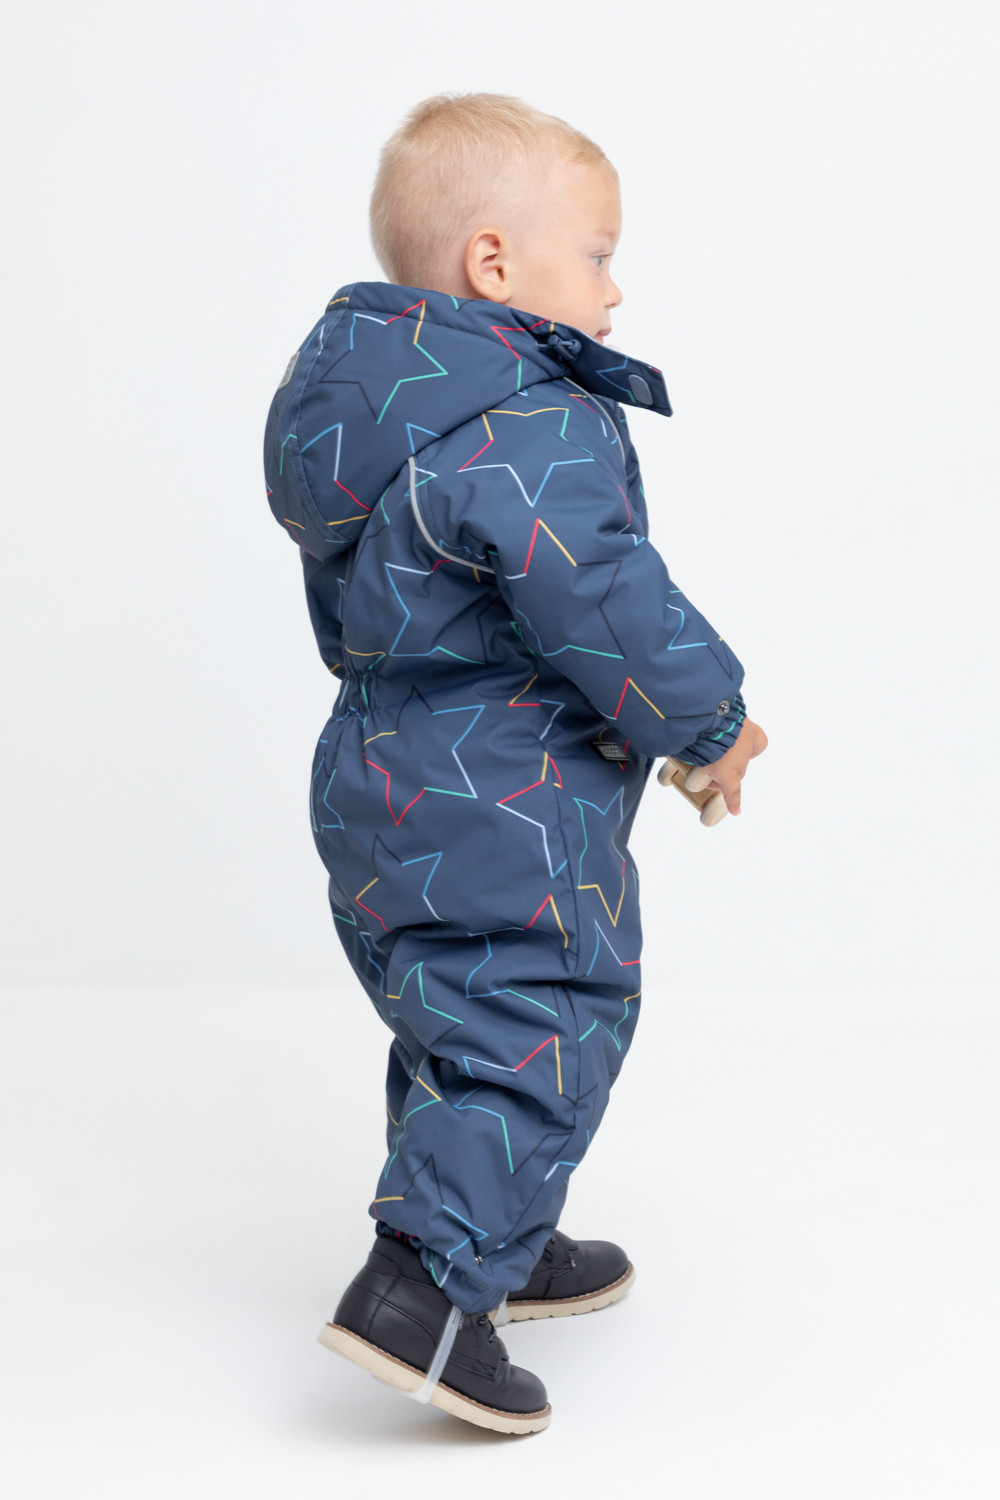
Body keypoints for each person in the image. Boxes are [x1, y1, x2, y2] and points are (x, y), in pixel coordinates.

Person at [263, 93, 767, 1434]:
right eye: (597, 253)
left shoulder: (374, 414)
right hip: (504, 791)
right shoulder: (522, 417)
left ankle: (501, 1237)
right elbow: (596, 591)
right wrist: (709, 719)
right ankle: (424, 1295)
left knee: (461, 1022)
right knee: (538, 1022)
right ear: (494, 263)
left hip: (384, 774)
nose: (614, 287)